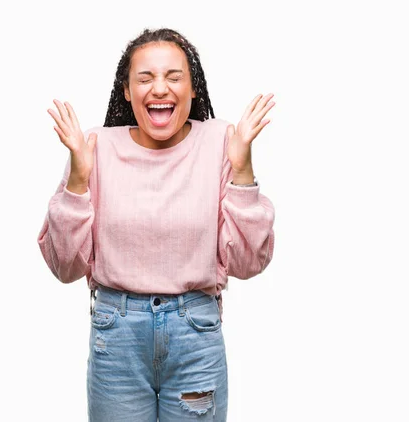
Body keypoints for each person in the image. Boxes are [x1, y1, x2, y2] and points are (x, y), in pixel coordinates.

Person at [37, 27, 275, 421]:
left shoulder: (220, 142)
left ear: (193, 87)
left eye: (174, 77)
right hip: (117, 338)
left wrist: (243, 168)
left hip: (195, 335)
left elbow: (250, 263)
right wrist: (78, 181)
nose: (159, 88)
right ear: (127, 91)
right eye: (145, 78)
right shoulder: (95, 147)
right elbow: (65, 267)